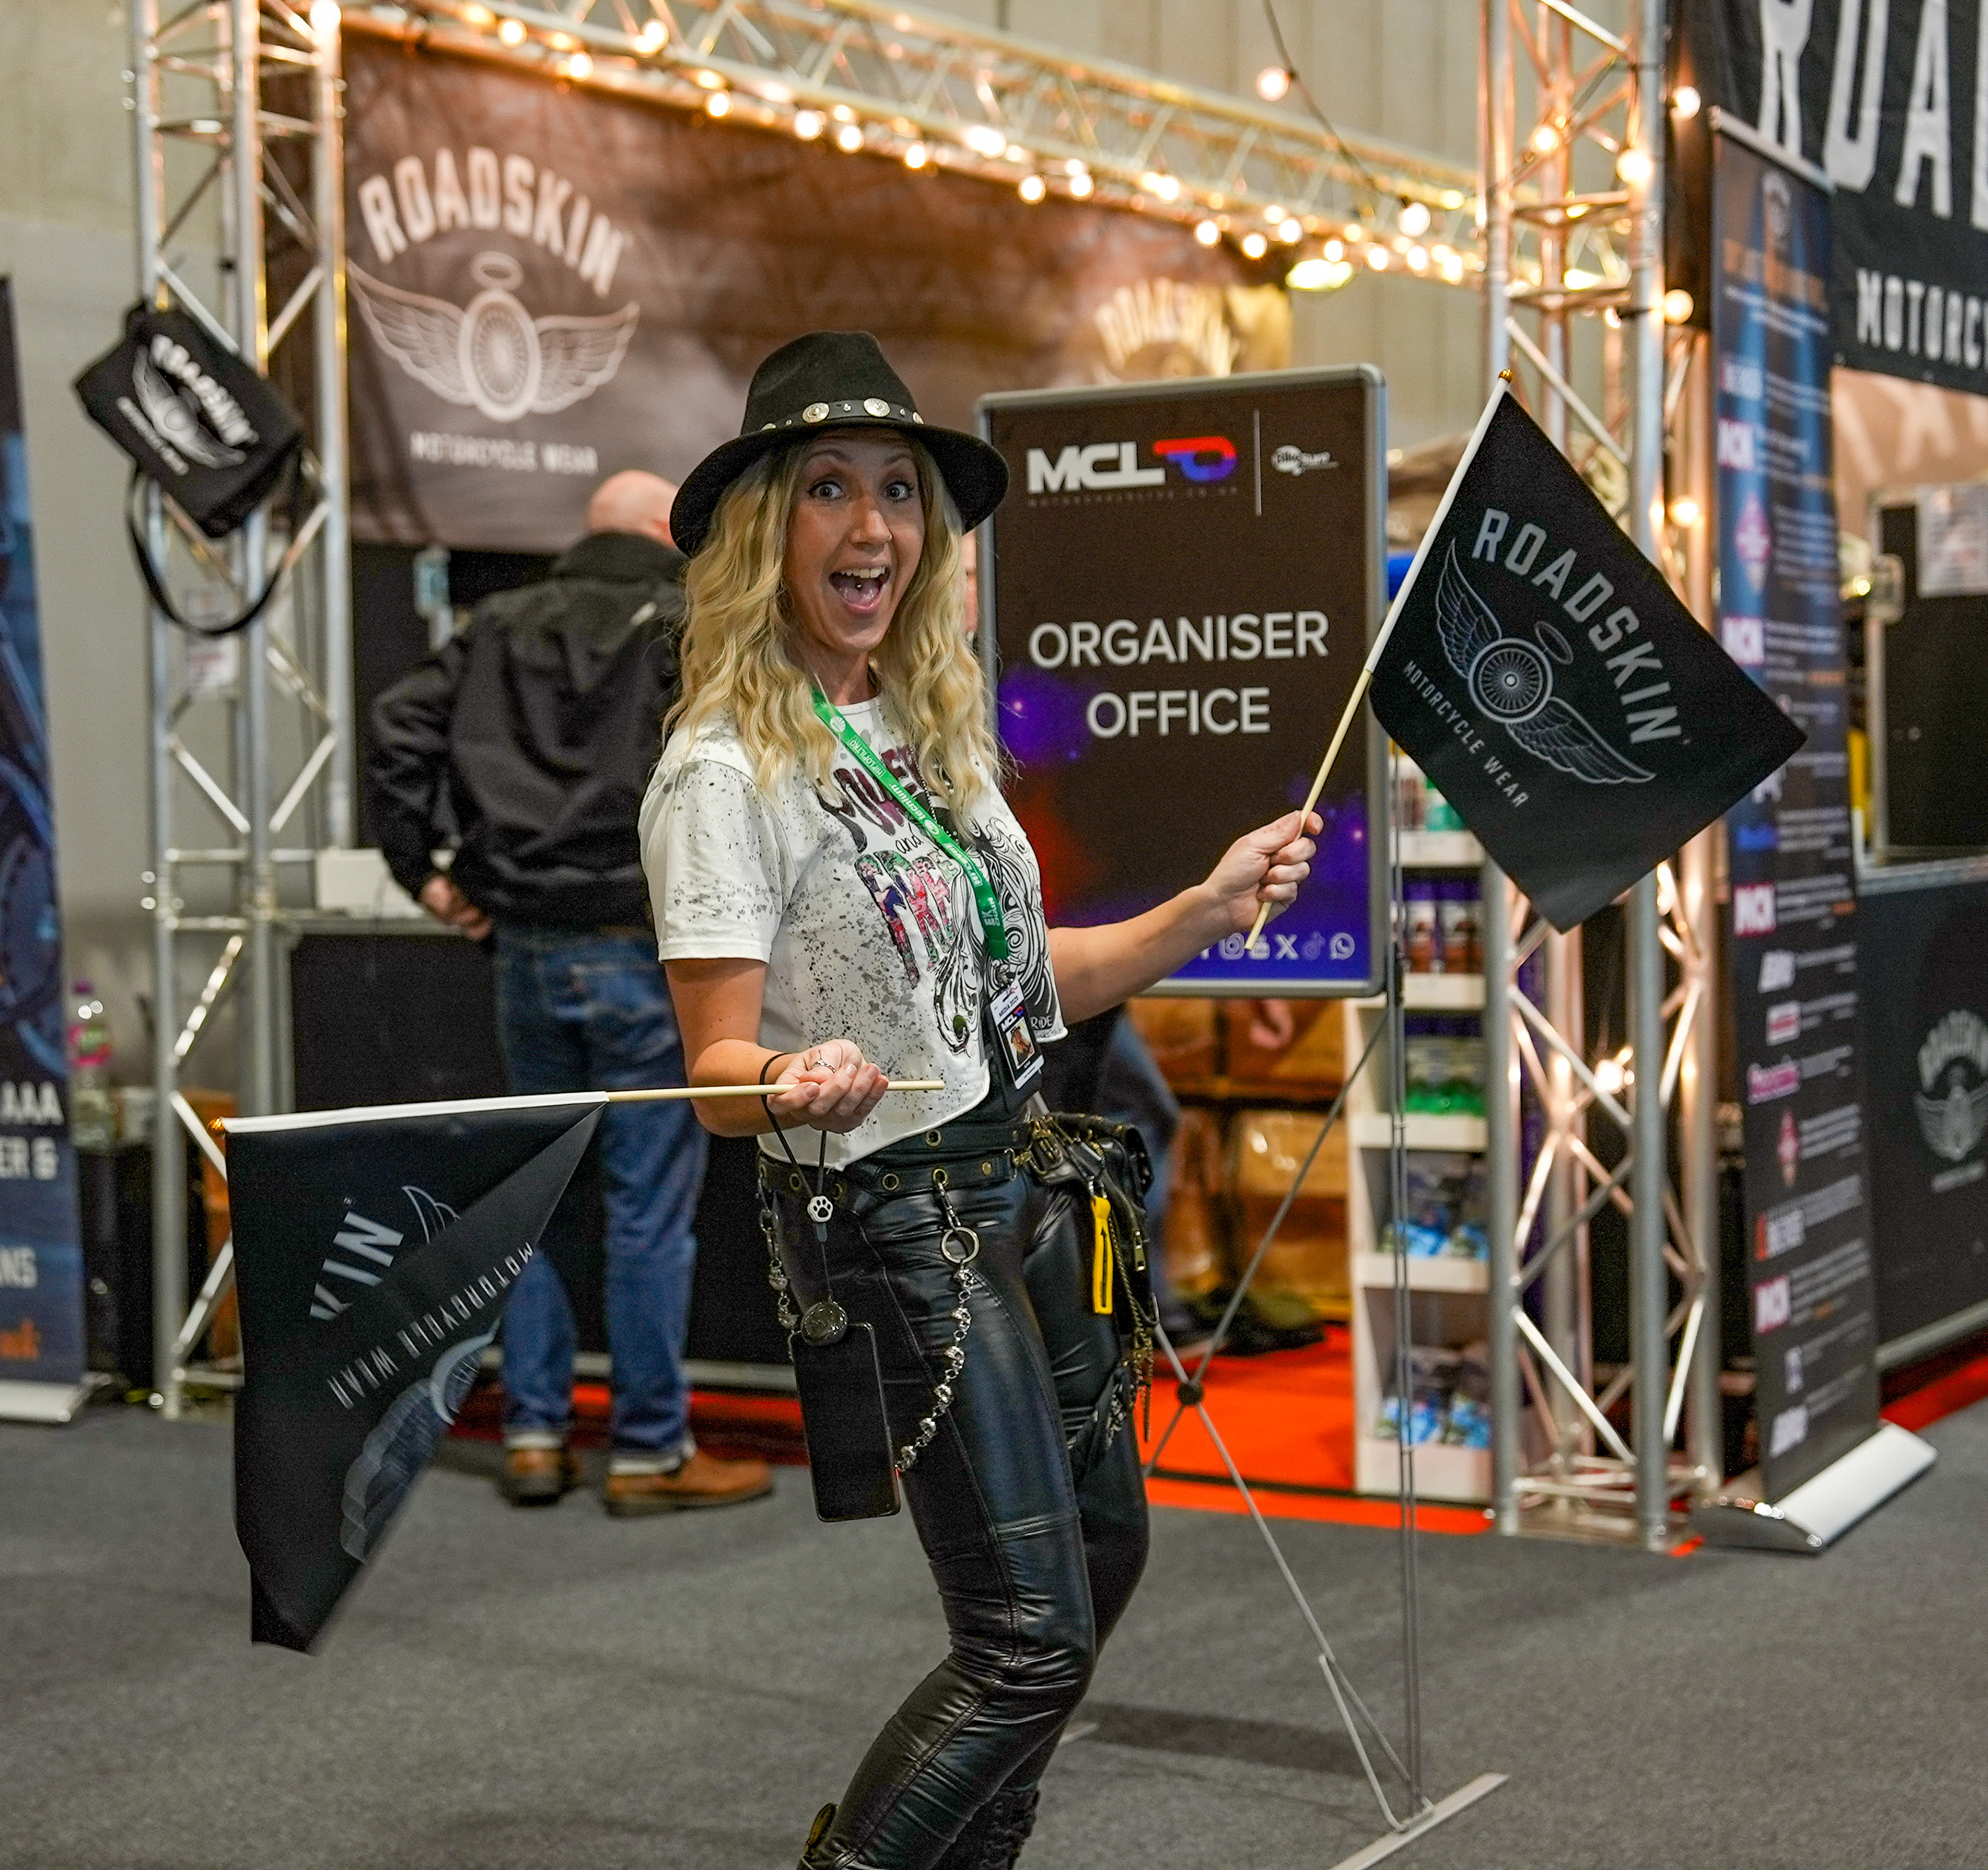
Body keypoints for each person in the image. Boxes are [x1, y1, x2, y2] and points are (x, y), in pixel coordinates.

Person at [638, 331, 1316, 1869]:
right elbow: (715, 1077)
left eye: (898, 491)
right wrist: (784, 1075)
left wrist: (1200, 913)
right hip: (897, 1217)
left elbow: (1018, 985)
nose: (871, 525)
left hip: (1023, 1184)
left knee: (1104, 1554)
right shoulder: (720, 772)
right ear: (764, 528)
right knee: (1024, 1643)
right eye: (828, 488)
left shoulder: (925, 731)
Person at [370, 471, 773, 1517]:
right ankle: (648, 1451)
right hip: (646, 948)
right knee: (649, 1215)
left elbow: (397, 726)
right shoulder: (690, 627)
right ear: (662, 531)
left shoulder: (498, 625)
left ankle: (535, 1435)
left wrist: (424, 871)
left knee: (541, 1200)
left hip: (525, 950)